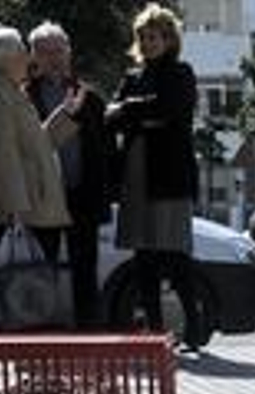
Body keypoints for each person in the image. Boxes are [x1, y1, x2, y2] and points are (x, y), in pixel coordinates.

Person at [107, 5, 206, 349]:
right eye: (144, 37)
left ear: (169, 39)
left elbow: (169, 109)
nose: (148, 43)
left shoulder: (182, 73)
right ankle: (155, 331)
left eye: (155, 37)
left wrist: (132, 110)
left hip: (171, 177)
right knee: (144, 258)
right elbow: (112, 118)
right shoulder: (132, 77)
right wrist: (141, 112)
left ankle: (194, 328)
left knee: (176, 256)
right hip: (137, 175)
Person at [27, 21, 109, 330]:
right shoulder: (23, 96)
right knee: (40, 268)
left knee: (85, 267)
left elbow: (104, 153)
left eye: (59, 50)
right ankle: (40, 334)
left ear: (69, 53)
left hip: (82, 195)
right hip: (43, 196)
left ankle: (88, 331)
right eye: (45, 52)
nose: (54, 58)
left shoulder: (89, 97)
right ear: (34, 56)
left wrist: (105, 196)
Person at [0, 27, 75, 271]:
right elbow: (3, 162)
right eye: (22, 51)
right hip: (28, 217)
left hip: (35, 210)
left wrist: (66, 114)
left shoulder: (8, 91)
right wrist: (17, 216)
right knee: (29, 296)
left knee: (38, 293)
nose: (28, 58)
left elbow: (36, 143)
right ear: (5, 58)